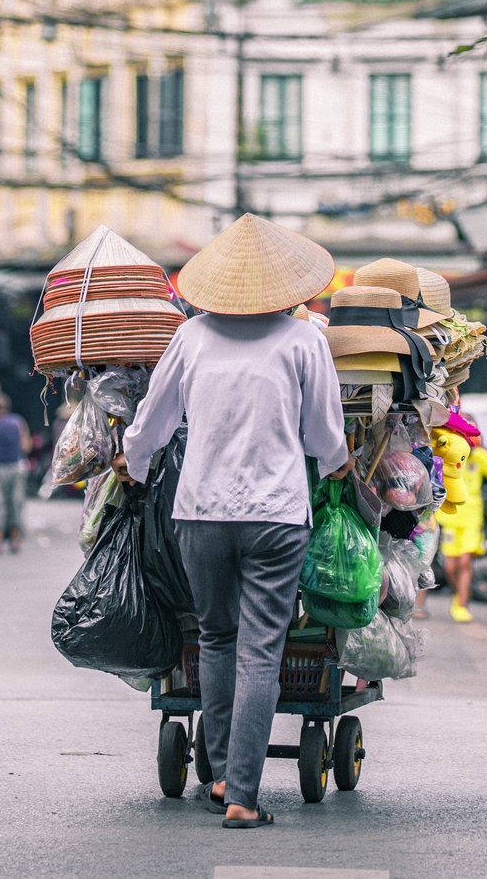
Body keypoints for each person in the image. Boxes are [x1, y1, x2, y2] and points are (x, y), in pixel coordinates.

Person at [111, 213, 353, 829]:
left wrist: (133, 464)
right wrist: (339, 465)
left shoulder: (191, 338)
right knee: (260, 649)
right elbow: (324, 437)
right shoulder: (305, 342)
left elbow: (153, 425)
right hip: (276, 518)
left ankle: (220, 774)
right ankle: (243, 795)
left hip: (200, 514)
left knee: (216, 637)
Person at [438, 427, 487, 623]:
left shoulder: (480, 457)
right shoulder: (450, 453)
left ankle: (462, 605)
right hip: (450, 517)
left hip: (472, 518)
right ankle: (460, 593)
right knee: (450, 566)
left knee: (465, 562)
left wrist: (485, 447)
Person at [0, 394, 32, 554]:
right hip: (16, 467)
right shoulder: (18, 422)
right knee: (16, 503)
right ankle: (15, 542)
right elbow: (26, 446)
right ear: (8, 408)